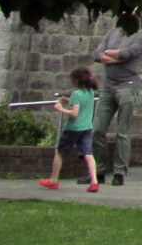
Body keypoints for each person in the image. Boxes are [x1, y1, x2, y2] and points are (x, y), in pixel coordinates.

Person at [92, 23, 142, 186]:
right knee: (97, 130)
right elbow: (96, 54)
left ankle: (119, 172)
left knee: (122, 131)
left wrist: (108, 54)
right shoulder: (112, 32)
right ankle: (99, 170)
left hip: (127, 85)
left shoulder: (141, 34)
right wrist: (116, 57)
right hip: (108, 86)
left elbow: (129, 53)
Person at [40, 65, 101, 193]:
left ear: (76, 80)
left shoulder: (76, 94)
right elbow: (81, 104)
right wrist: (67, 100)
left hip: (73, 128)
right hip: (87, 127)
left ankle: (53, 180)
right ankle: (94, 182)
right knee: (88, 154)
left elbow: (74, 113)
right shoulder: (90, 92)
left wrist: (60, 108)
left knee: (60, 152)